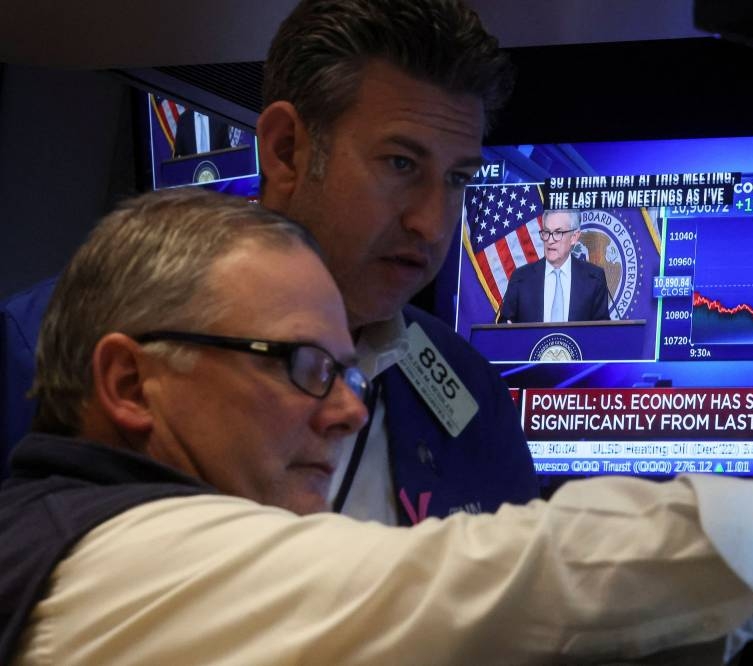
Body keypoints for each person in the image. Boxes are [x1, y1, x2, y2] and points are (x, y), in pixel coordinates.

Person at [0, 188, 753, 664]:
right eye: (302, 365)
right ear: (130, 383)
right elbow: (505, 578)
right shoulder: (121, 563)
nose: (348, 409)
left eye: (347, 372)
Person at [2, 0, 541, 525]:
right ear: (286, 150)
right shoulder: (39, 348)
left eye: (456, 179)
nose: (433, 223)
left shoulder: (473, 399)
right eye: (401, 163)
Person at [498, 209, 611, 324]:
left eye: (558, 233)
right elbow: (504, 326)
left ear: (574, 237)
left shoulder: (594, 279)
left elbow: (601, 333)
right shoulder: (521, 278)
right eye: (546, 232)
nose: (550, 240)